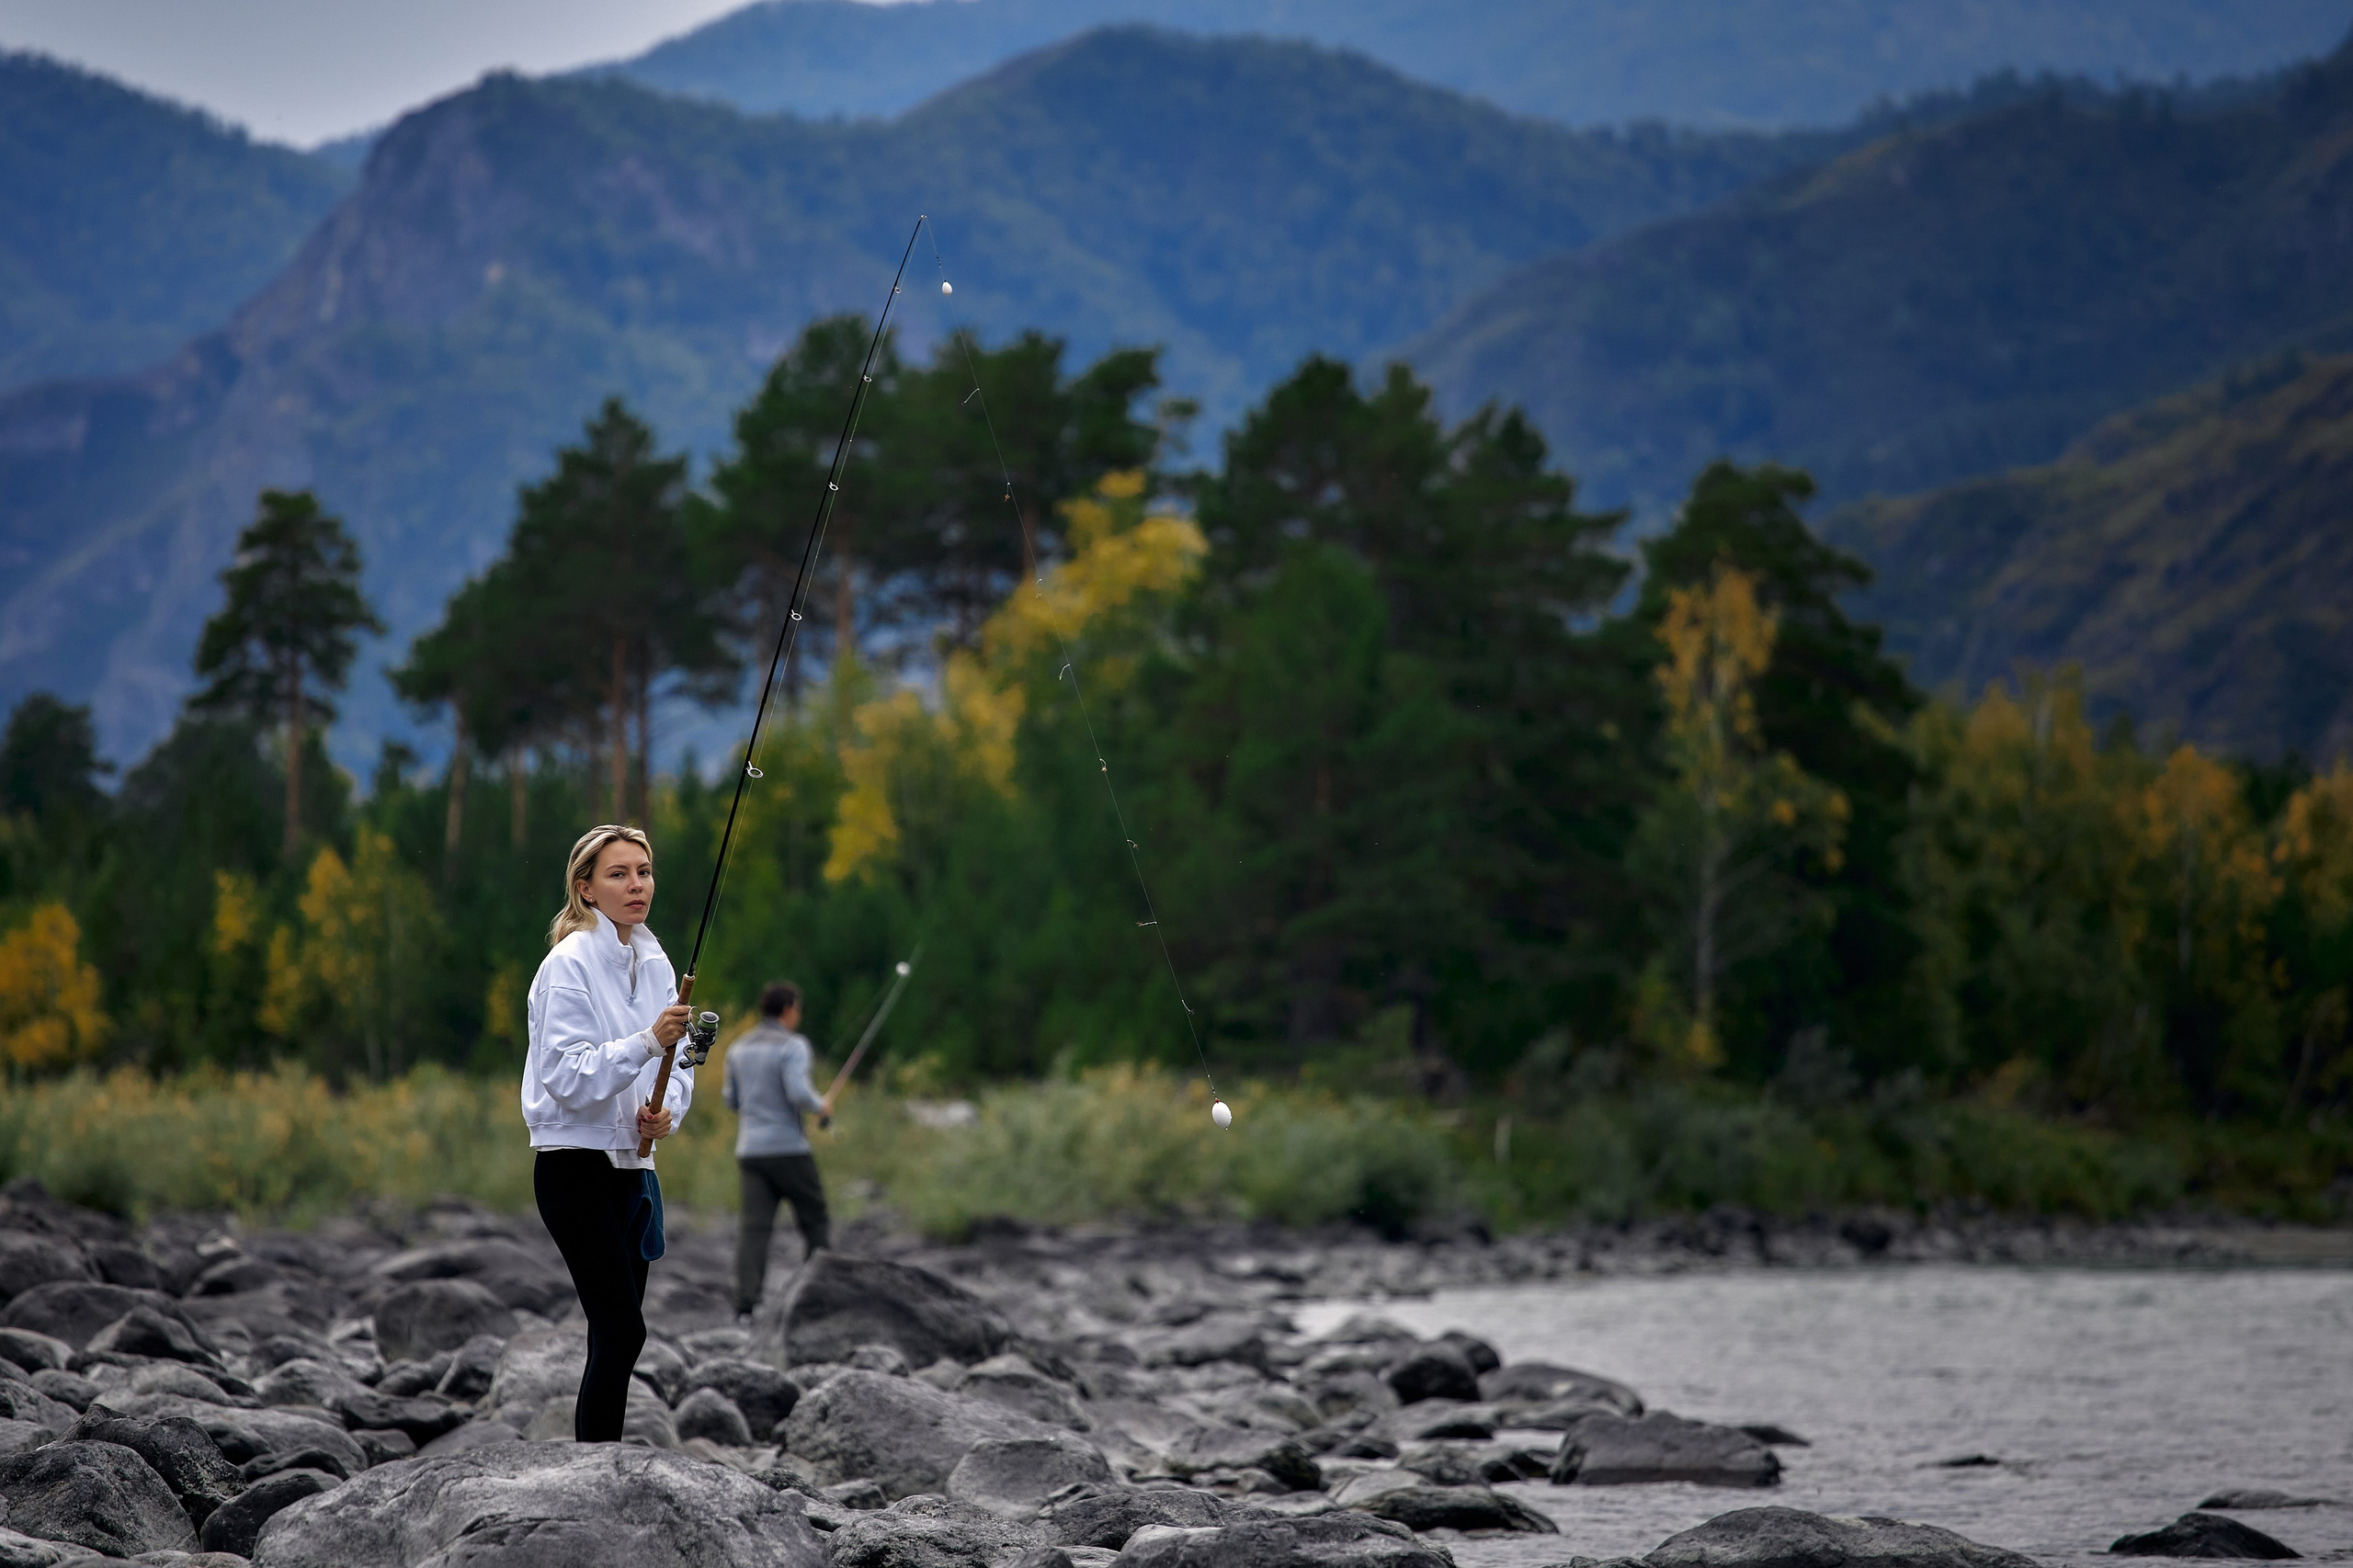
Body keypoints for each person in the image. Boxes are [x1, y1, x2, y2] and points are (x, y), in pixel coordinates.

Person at [522, 824, 694, 1443]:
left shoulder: (656, 962)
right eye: (618, 874)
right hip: (573, 1166)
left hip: (632, 1167)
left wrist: (666, 1112)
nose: (636, 885)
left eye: (643, 872)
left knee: (613, 1334)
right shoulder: (567, 965)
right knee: (623, 1330)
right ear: (586, 888)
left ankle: (598, 1463)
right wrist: (647, 1040)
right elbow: (566, 1077)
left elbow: (676, 1065)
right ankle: (596, 1467)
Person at [725, 980, 834, 1315]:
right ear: (788, 1009)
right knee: (815, 1220)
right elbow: (798, 1093)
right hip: (789, 1150)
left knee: (754, 1230)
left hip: (750, 1152)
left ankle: (746, 1306)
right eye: (797, 1008)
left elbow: (732, 1100)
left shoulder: (738, 1048)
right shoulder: (793, 1045)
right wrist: (821, 1105)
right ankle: (819, 1297)